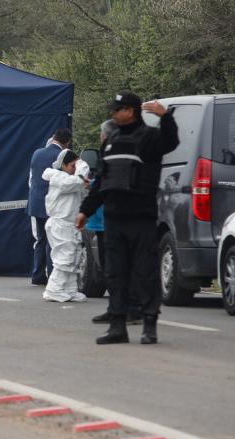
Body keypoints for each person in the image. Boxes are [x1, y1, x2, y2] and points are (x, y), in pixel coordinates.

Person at [76, 91, 179, 345]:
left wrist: (165, 116)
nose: (113, 113)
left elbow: (171, 142)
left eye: (117, 109)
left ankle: (149, 324)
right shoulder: (111, 141)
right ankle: (117, 327)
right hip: (114, 218)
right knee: (115, 273)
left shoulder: (149, 137)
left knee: (145, 272)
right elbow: (101, 181)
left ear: (130, 111)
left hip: (141, 217)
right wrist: (85, 210)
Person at [88, 120, 143, 326]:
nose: (101, 138)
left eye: (102, 135)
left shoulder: (118, 154)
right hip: (104, 220)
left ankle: (131, 309)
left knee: (119, 267)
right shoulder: (110, 153)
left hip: (112, 219)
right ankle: (116, 308)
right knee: (110, 268)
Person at [42, 149, 89, 302]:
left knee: (74, 257)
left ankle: (69, 289)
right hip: (60, 224)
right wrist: (82, 166)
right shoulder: (58, 177)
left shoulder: (71, 179)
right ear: (63, 165)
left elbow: (81, 192)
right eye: (73, 165)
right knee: (65, 258)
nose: (75, 169)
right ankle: (53, 289)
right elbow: (75, 182)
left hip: (70, 224)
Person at [27, 128, 72, 285]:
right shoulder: (63, 155)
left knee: (41, 240)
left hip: (36, 203)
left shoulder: (37, 153)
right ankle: (53, 275)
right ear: (67, 142)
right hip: (53, 204)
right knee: (52, 241)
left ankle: (37, 275)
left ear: (54, 137)